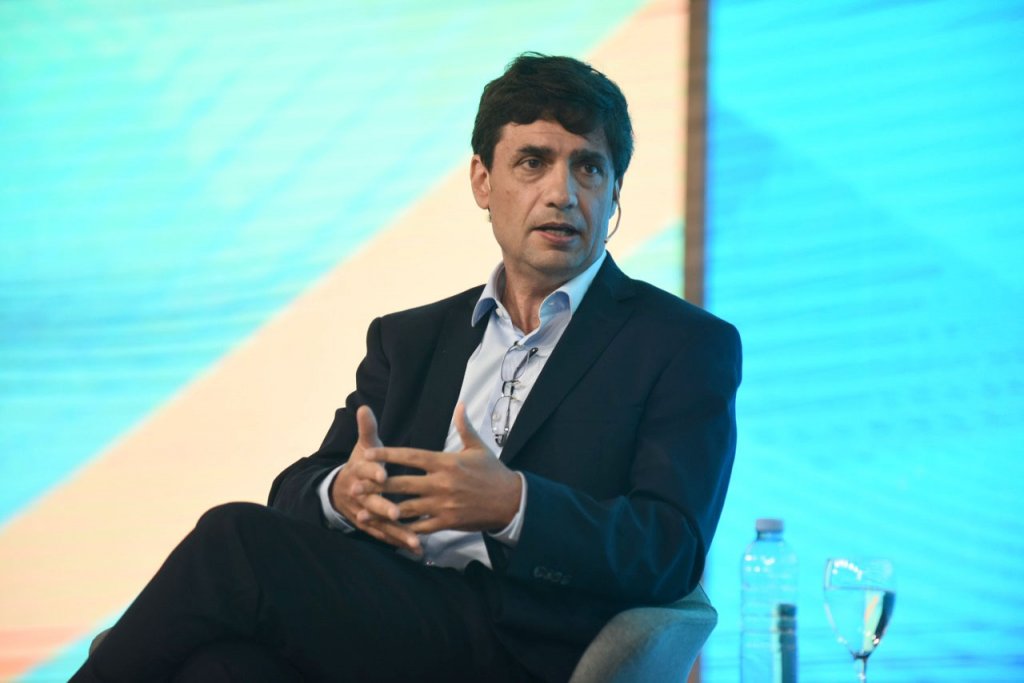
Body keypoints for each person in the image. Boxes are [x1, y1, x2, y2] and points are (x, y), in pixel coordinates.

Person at [72, 52, 741, 683]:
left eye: (588, 167)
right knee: (217, 670)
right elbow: (295, 490)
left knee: (233, 540)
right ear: (483, 181)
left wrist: (515, 506)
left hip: (523, 644)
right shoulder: (412, 338)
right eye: (533, 162)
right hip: (385, 612)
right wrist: (341, 494)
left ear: (614, 188)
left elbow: (669, 550)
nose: (561, 193)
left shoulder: (679, 344)